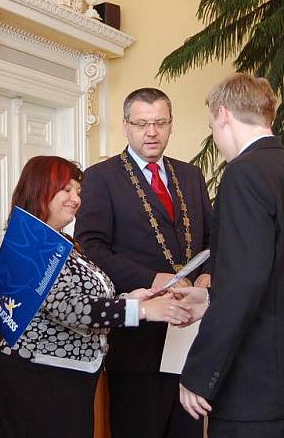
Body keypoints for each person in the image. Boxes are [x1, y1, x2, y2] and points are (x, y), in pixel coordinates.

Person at [0, 155, 192, 438]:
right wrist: (143, 311)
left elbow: (91, 298)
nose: (76, 199)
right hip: (38, 382)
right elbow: (73, 310)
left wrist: (134, 298)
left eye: (78, 191)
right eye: (67, 189)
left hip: (72, 381)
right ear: (40, 188)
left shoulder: (66, 244)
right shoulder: (31, 242)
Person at [176, 73, 284, 438]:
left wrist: (200, 371)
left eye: (212, 124)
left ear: (224, 114)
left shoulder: (243, 174)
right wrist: (210, 297)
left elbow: (246, 282)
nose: (215, 134)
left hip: (256, 390)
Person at [74, 88, 213, 438]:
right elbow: (91, 248)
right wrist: (154, 277)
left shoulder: (191, 176)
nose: (151, 132)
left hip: (190, 333)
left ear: (170, 125)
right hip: (137, 340)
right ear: (125, 126)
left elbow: (214, 241)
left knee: (188, 431)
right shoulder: (100, 177)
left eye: (160, 123)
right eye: (142, 123)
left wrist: (208, 276)